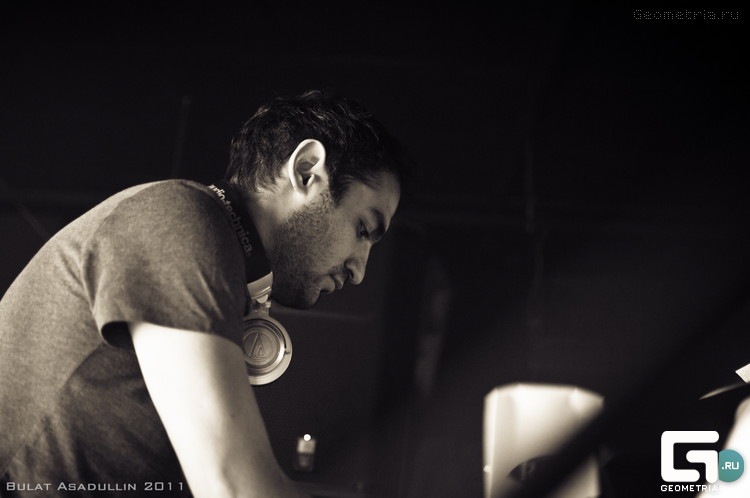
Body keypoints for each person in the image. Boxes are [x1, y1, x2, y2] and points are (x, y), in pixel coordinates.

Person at [0, 89, 408, 497]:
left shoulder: (218, 251)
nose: (359, 271)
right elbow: (237, 491)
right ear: (306, 171)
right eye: (363, 229)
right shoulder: (179, 221)